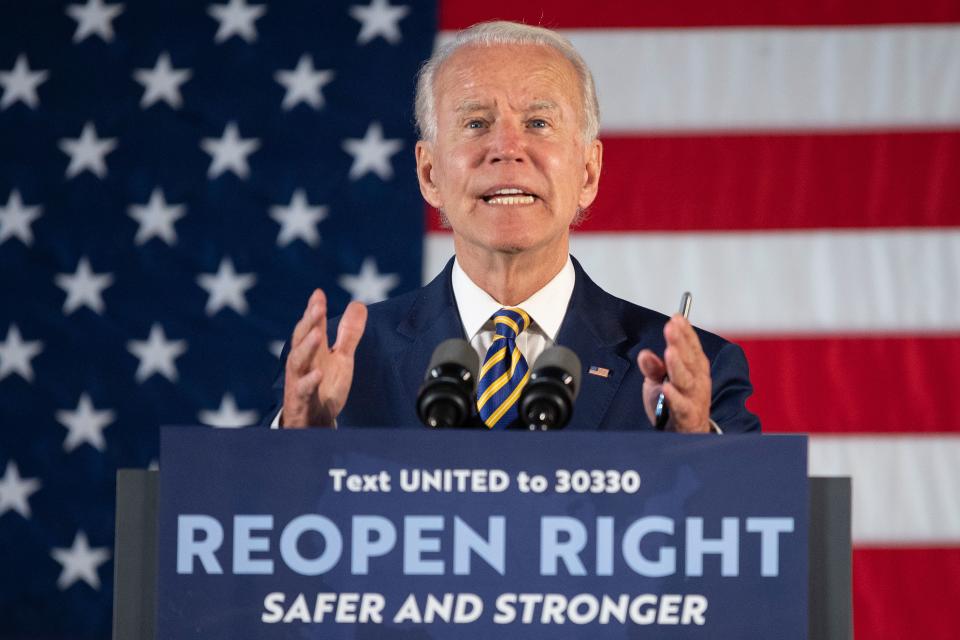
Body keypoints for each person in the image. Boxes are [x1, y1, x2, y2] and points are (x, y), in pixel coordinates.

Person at [266, 21, 760, 433]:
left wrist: (699, 451)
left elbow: (751, 535)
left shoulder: (692, 377)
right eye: (476, 123)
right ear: (429, 173)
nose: (507, 148)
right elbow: (265, 530)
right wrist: (299, 446)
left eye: (539, 123)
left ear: (587, 172)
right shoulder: (344, 365)